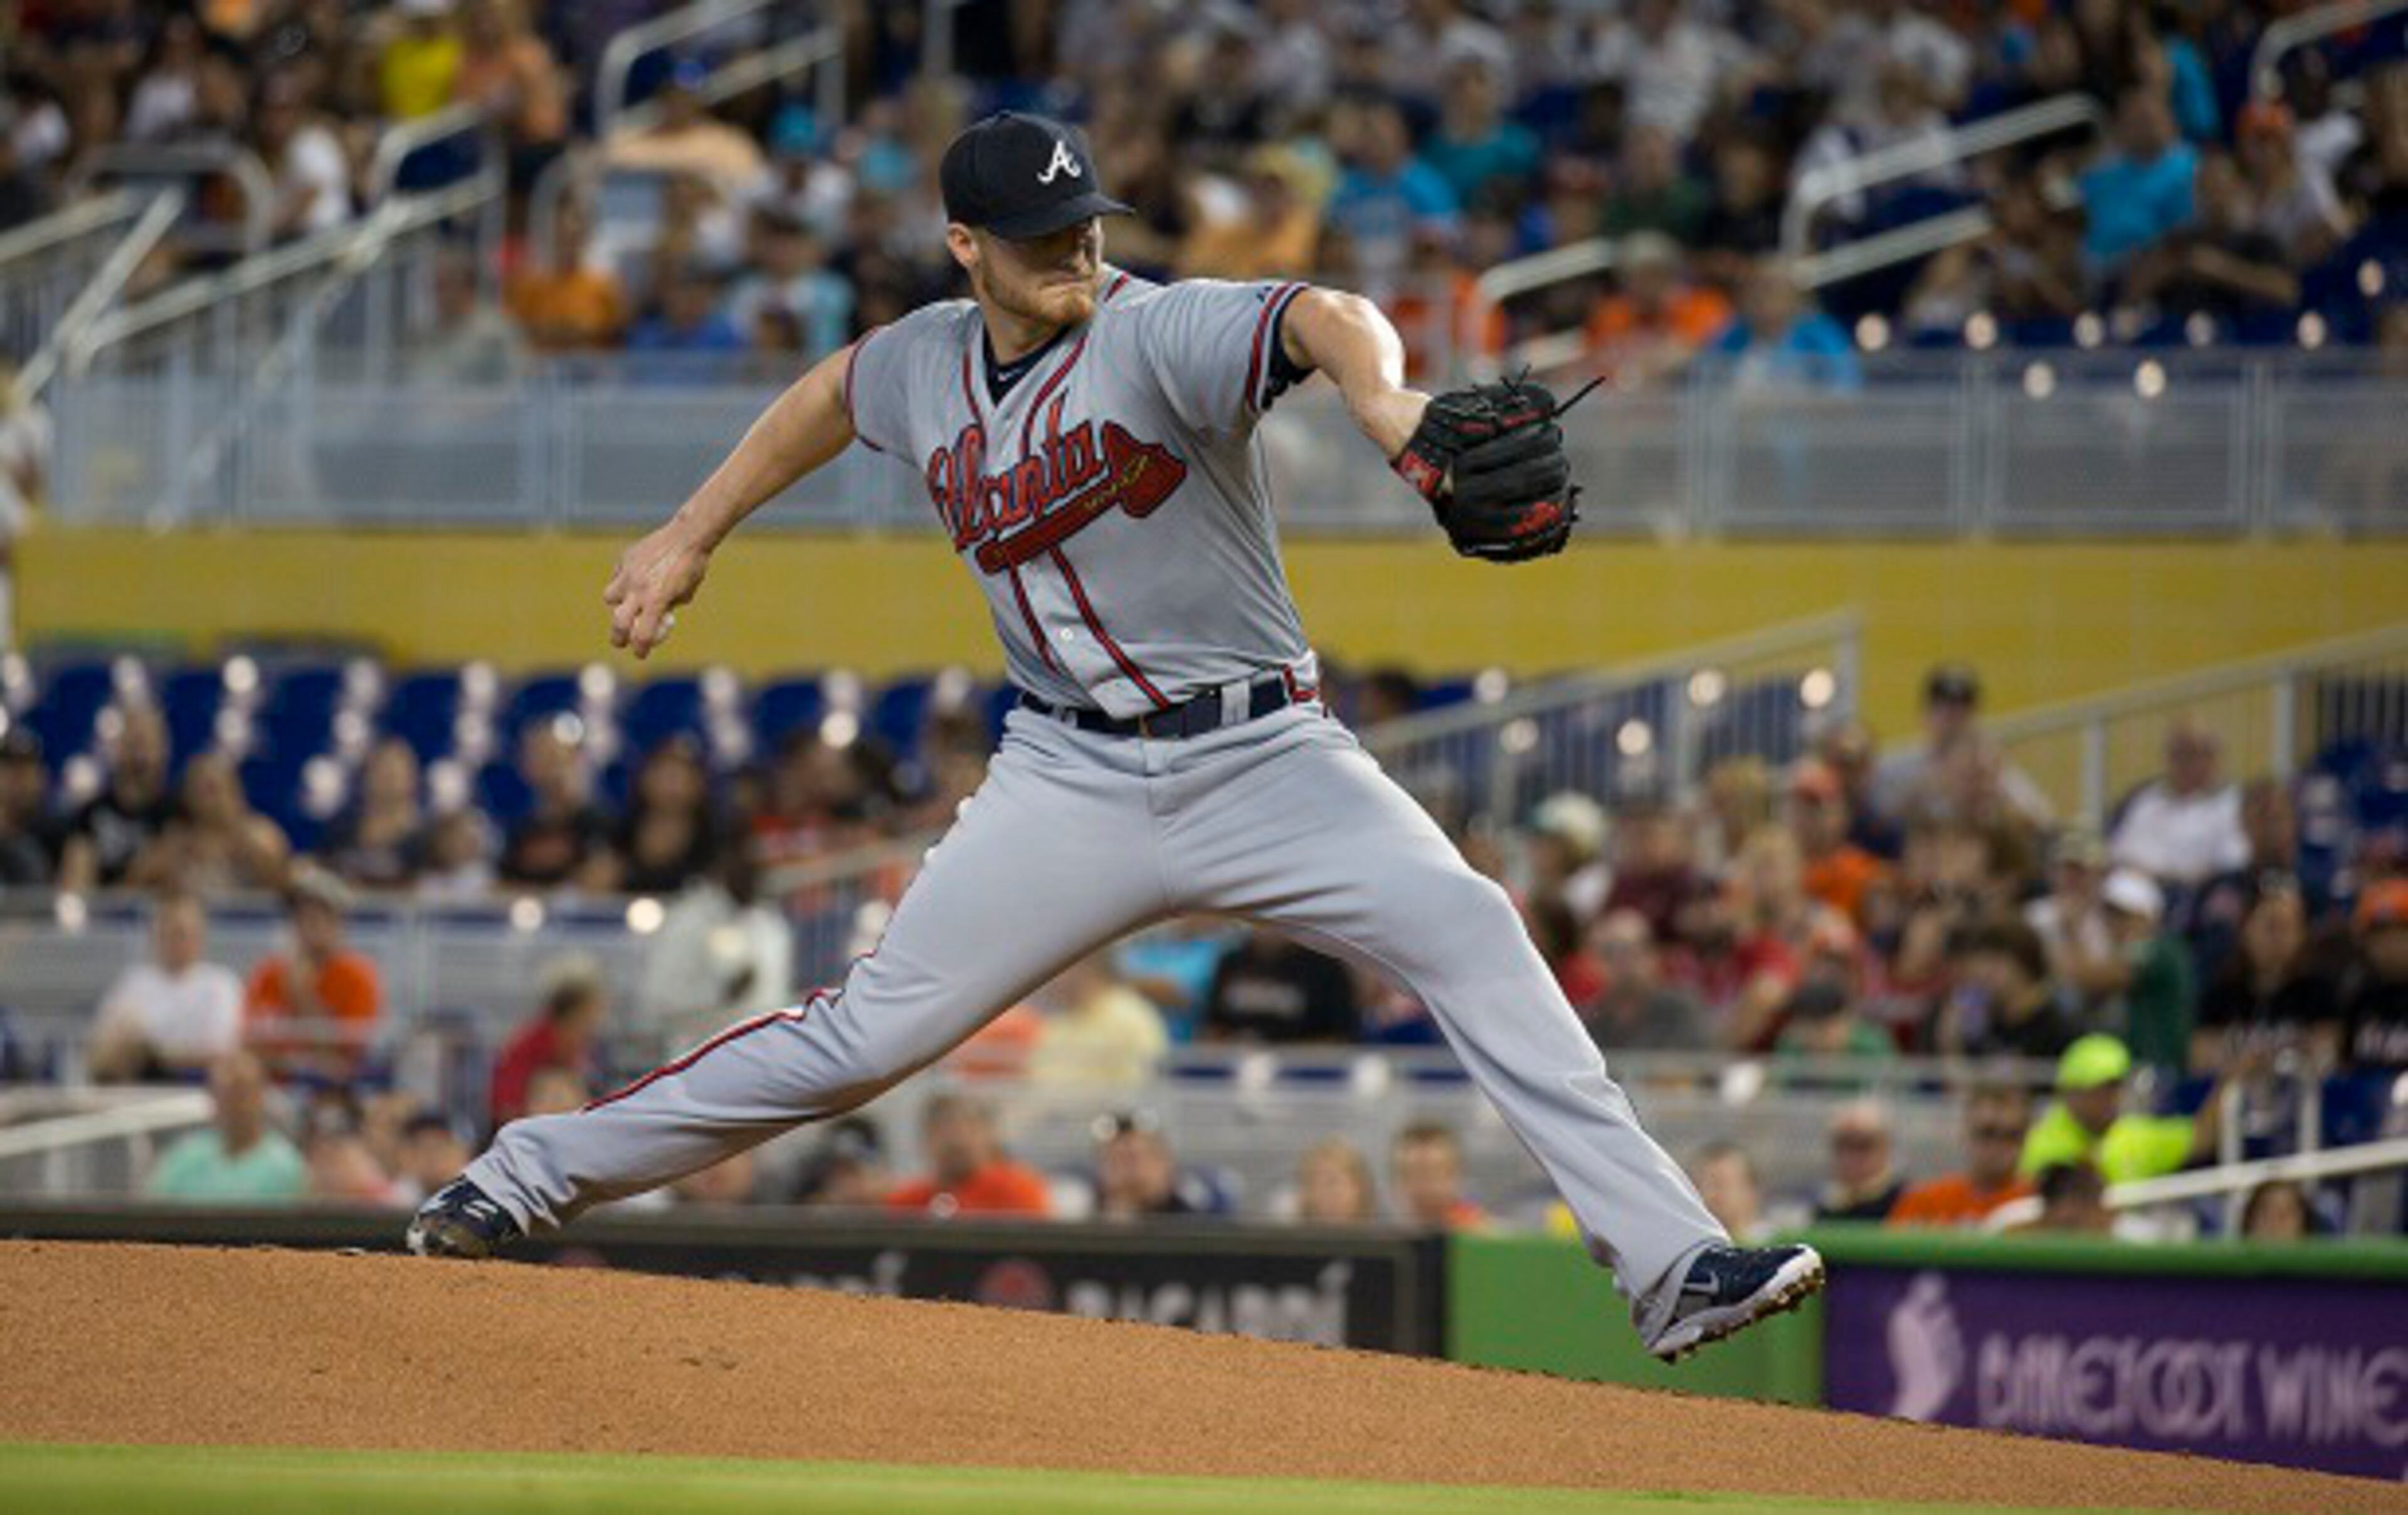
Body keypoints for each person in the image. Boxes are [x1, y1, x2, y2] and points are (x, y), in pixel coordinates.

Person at [415, 110, 1817, 1365]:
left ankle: (1670, 1262)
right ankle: (523, 1174)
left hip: (1266, 754)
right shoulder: (922, 363)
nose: (1073, 247)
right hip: (1066, 773)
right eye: (1035, 234)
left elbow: (1324, 315)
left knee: (1471, 923)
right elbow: (828, 400)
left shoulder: (1155, 328)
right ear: (964, 244)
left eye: (1084, 219)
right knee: (861, 1038)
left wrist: (1388, 400)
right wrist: (687, 530)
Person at [2020, 1033, 2233, 1186]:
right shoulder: (2041, 1148)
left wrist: (2233, 1079)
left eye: (2116, 1087)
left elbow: (2201, 1137)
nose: (2110, 1098)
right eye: (2098, 1089)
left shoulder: (2131, 1135)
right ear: (2069, 1093)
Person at [243, 866, 383, 1080]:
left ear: (338, 922)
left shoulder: (359, 976)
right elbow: (250, 1044)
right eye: (300, 914)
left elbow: (346, 1063)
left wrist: (302, 995)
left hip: (329, 1095)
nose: (309, 923)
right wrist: (295, 1063)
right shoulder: (268, 973)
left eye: (319, 914)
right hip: (269, 1088)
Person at [88, 892, 244, 1081]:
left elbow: (220, 1050)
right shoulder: (134, 982)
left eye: (180, 934)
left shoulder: (220, 983)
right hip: (135, 1080)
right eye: (165, 933)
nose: (172, 941)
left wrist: (158, 1056)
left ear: (199, 936)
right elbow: (104, 1042)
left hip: (195, 1084)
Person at [144, 1050, 307, 1203]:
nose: (232, 1106)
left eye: (241, 1095)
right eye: (224, 1095)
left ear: (260, 1098)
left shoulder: (286, 1167)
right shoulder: (184, 1158)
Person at [2108, 722, 2247, 889]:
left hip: (2200, 896)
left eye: (2194, 754)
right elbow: (2122, 855)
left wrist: (2176, 881)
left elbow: (2232, 862)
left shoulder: (2232, 803)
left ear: (2213, 759)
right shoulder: (2146, 800)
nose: (2187, 764)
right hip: (2142, 892)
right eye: (2178, 755)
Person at [58, 703, 174, 893]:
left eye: (148, 743)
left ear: (164, 751)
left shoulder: (177, 813)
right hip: (105, 918)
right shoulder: (90, 815)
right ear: (117, 749)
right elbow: (74, 887)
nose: (140, 755)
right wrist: (137, 878)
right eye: (134, 742)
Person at [1888, 1083, 2037, 1229]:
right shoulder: (1924, 1202)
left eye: (2012, 1136)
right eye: (1987, 1133)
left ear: (2026, 1139)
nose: (1998, 1146)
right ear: (1965, 1132)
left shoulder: (2039, 1206)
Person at [882, 1092, 1050, 1219]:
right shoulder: (908, 1200)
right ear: (925, 1139)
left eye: (970, 1129)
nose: (957, 1139)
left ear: (990, 1137)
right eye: (943, 1129)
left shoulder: (1018, 1190)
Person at [488, 958, 607, 1127]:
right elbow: (505, 1107)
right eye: (594, 1009)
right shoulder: (530, 1043)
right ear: (575, 1009)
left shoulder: (581, 1046)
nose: (598, 1018)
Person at [1200, 927, 1361, 1044]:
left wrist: (1280, 1054)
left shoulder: (1325, 967)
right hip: (1236, 1072)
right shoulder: (1231, 962)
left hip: (1303, 1078)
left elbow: (1340, 1039)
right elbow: (1212, 1029)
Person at [1815, 1100, 1907, 1223]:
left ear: (1885, 1148)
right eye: (1843, 1146)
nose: (1852, 1158)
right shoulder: (1826, 1209)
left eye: (1863, 1146)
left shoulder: (1905, 1204)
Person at [1391, 1121, 1486, 1231]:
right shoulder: (1381, 1241)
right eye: (1411, 1175)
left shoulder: (1486, 1237)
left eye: (1434, 1174)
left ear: (1458, 1176)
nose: (1424, 1188)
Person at [1687, 1143, 1770, 1244]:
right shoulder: (1691, 1248)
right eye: (1698, 1186)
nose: (1708, 1195)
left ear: (1751, 1190)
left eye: (1719, 1184)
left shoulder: (1784, 1247)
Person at [1292, 1137, 1377, 1224]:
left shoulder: (1381, 1236)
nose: (1323, 1194)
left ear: (1358, 1187)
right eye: (1313, 1185)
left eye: (1332, 1182)